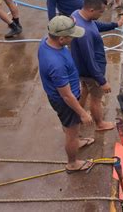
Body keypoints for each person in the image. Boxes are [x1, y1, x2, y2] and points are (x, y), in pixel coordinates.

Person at [38, 16, 96, 173]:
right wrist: (83, 113)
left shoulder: (45, 42)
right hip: (65, 102)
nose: (74, 38)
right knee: (71, 132)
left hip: (60, 97)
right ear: (62, 39)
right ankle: (72, 163)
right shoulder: (56, 64)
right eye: (71, 36)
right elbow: (66, 96)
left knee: (71, 127)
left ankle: (76, 139)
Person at [71, 0, 123, 131]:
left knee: (84, 90)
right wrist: (102, 81)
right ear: (91, 10)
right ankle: (100, 124)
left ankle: (78, 114)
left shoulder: (77, 15)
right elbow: (89, 59)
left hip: (80, 69)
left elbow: (95, 25)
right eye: (100, 12)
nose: (101, 14)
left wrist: (116, 24)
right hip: (92, 72)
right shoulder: (84, 33)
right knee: (96, 99)